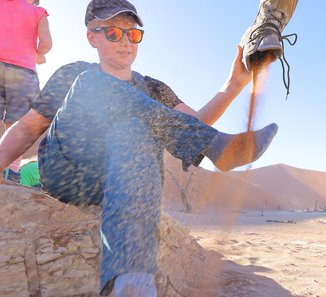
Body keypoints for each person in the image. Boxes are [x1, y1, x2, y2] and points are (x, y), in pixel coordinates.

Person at [0, 0, 278, 296]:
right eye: (112, 33)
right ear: (91, 37)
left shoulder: (153, 87)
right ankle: (217, 147)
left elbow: (194, 122)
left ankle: (133, 284)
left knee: (135, 129)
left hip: (119, 180)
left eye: (132, 34)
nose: (125, 42)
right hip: (67, 169)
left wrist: (235, 82)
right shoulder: (75, 73)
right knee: (91, 82)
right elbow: (29, 126)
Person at [0, 0, 52, 182]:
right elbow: (46, 43)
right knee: (17, 123)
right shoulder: (38, 12)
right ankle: (12, 172)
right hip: (23, 72)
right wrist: (38, 54)